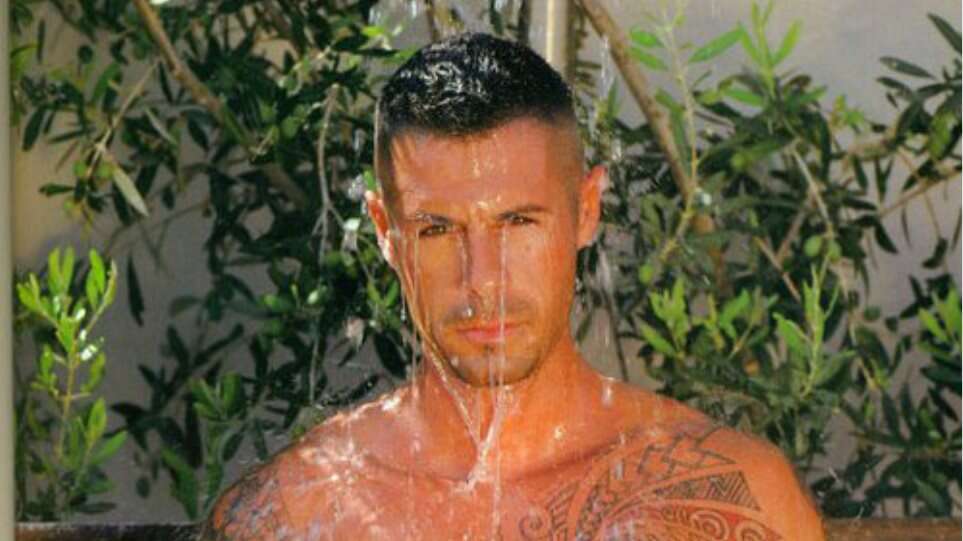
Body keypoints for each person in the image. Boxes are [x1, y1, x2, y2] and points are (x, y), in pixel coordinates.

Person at [201, 33, 824, 540]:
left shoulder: (735, 493)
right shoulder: (292, 513)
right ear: (386, 232)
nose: (482, 279)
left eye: (518, 222)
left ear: (586, 209)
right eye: (437, 229)